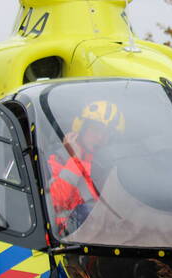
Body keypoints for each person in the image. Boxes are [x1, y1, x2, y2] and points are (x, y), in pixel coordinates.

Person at [48, 100, 124, 234]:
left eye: (106, 134)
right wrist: (75, 161)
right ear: (81, 128)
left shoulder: (106, 166)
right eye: (95, 129)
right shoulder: (57, 159)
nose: (100, 137)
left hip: (98, 238)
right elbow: (54, 203)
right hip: (63, 242)